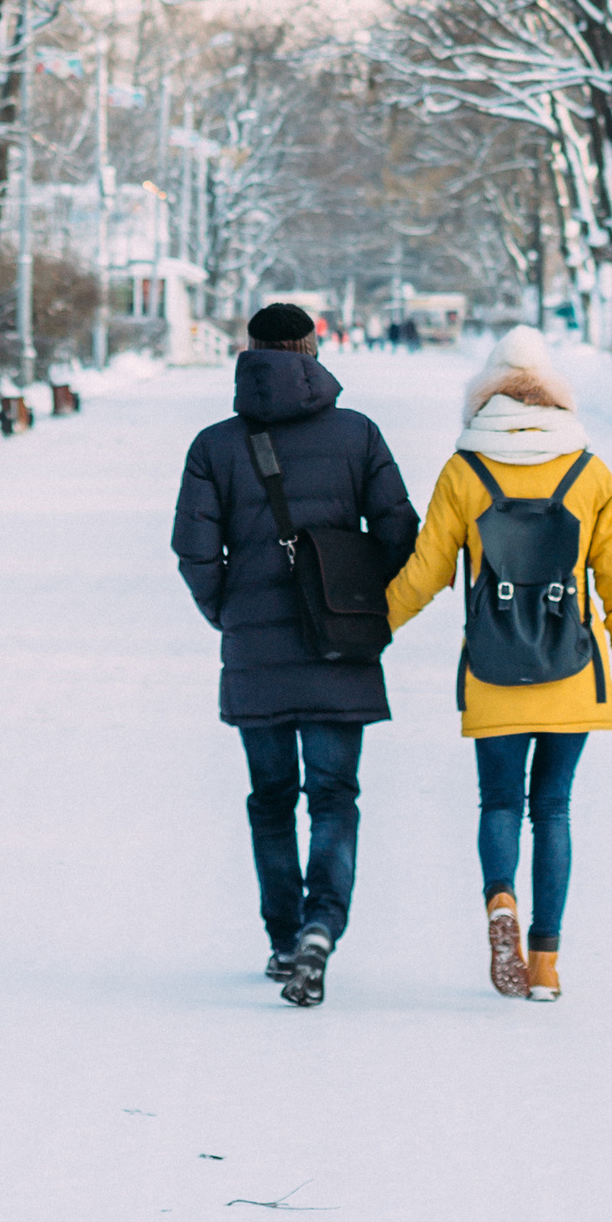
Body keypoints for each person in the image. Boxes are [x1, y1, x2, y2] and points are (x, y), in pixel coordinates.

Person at [385, 324, 612, 1005]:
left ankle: (498, 897)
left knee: (500, 800)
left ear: (486, 397)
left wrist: (368, 629)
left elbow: (425, 573)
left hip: (492, 669)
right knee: (553, 809)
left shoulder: (464, 469)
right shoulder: (589, 472)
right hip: (572, 672)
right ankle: (547, 964)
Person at [171, 301, 418, 1008]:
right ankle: (321, 926)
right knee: (335, 797)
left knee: (271, 799)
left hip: (256, 651)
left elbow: (193, 549)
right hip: (341, 643)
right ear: (314, 348)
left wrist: (229, 611)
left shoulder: (214, 446)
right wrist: (366, 599)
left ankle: (283, 939)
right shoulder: (358, 434)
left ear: (250, 352)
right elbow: (401, 530)